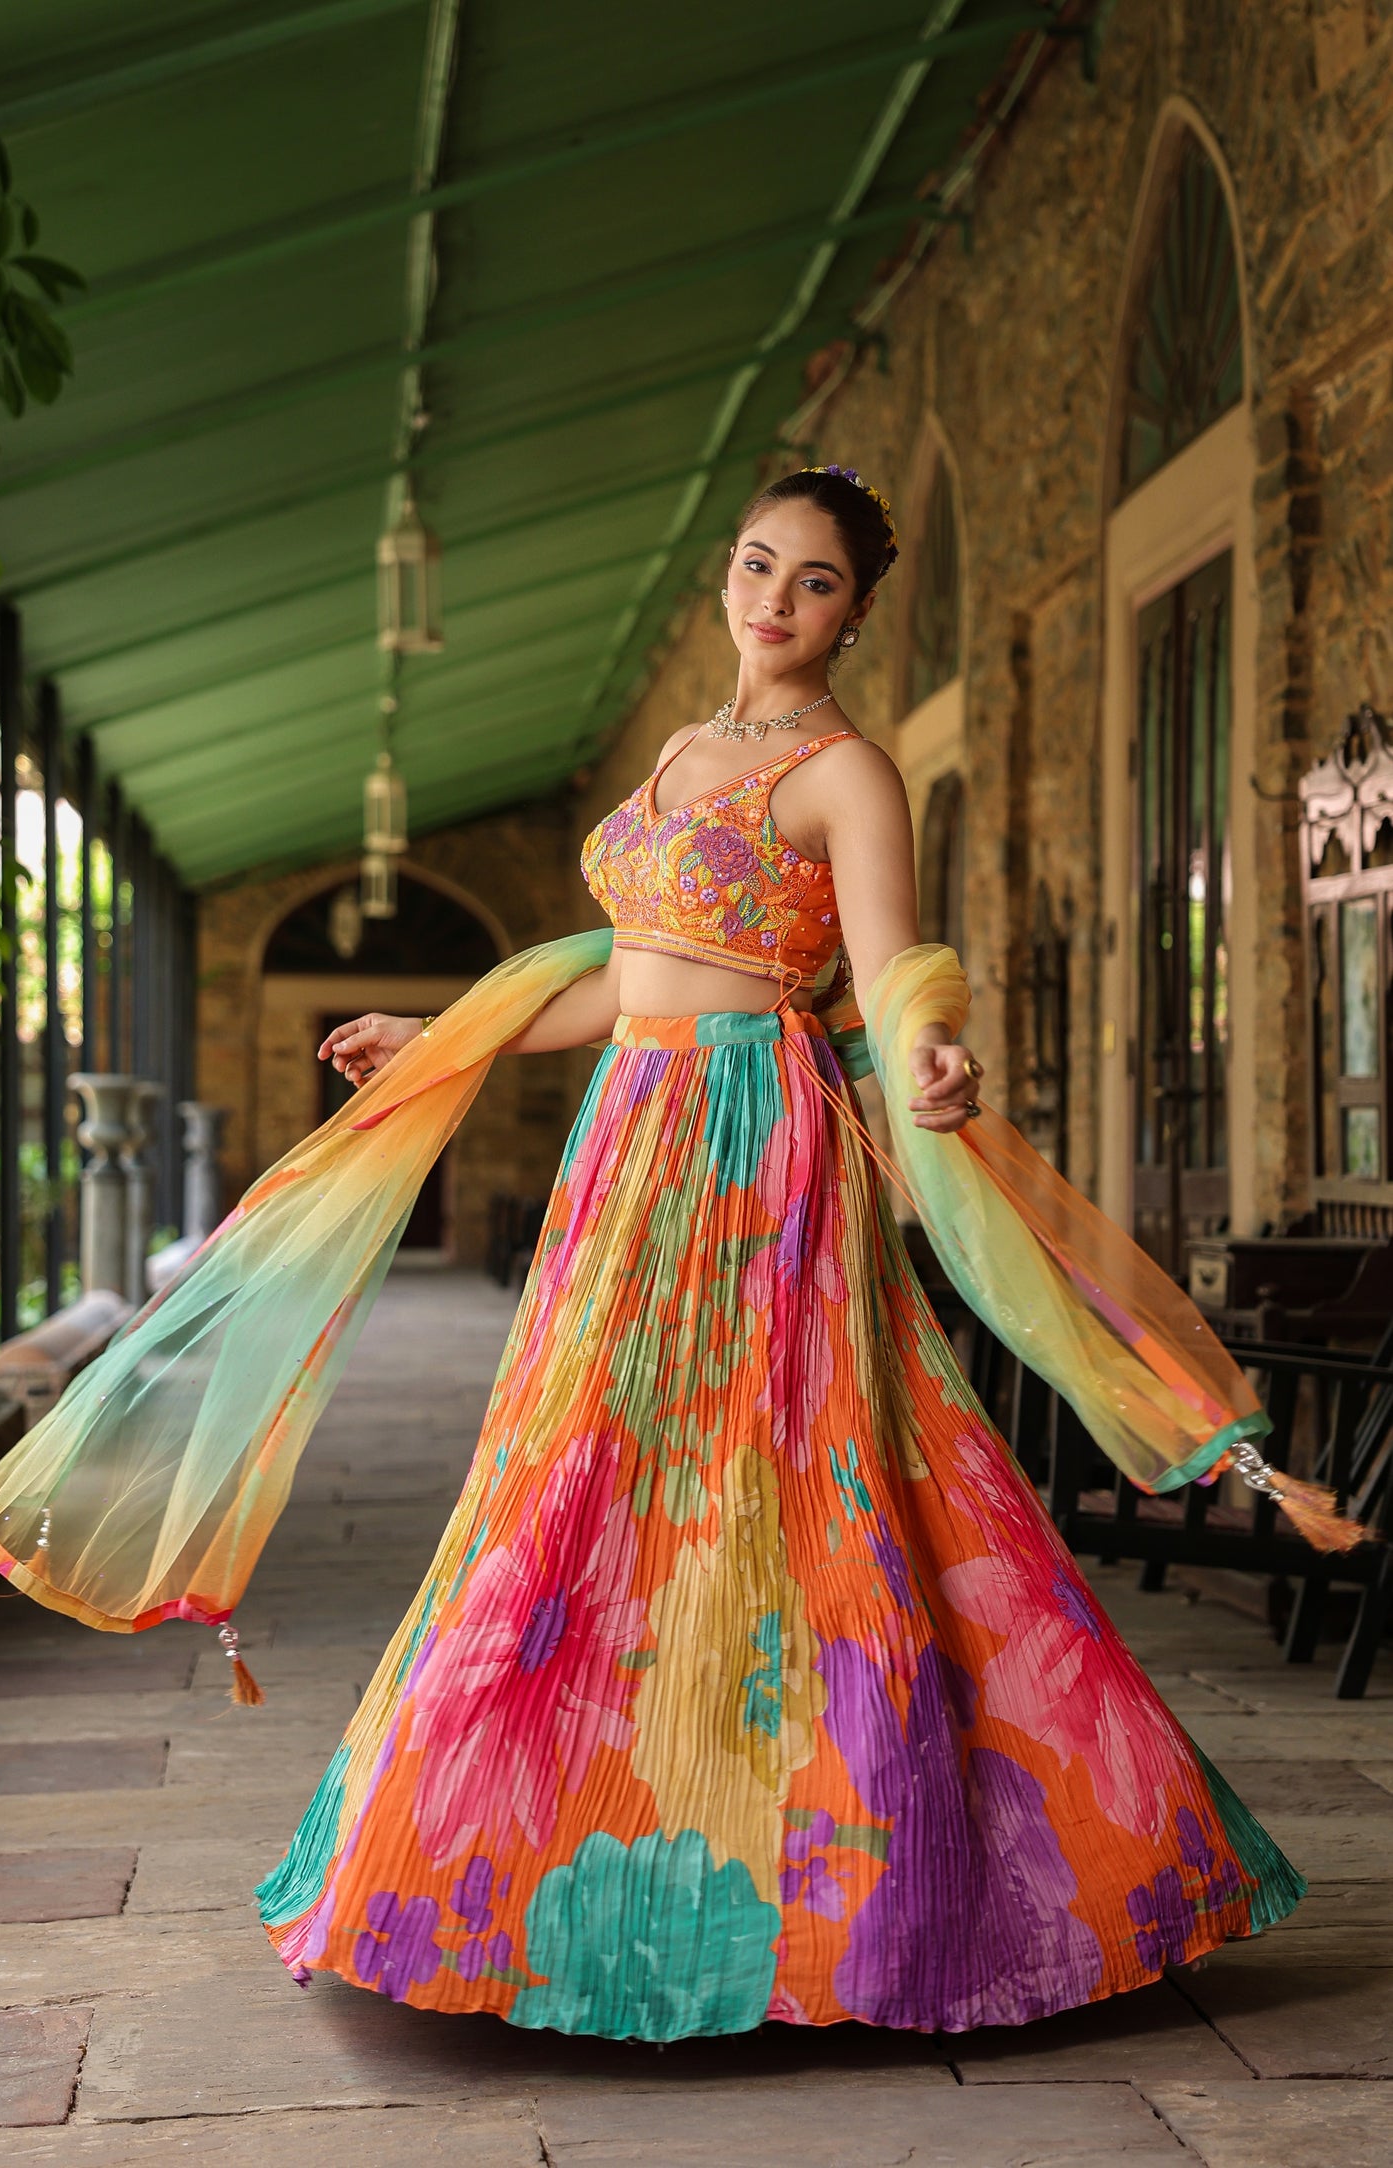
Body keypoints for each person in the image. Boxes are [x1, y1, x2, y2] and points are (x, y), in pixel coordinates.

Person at [244, 465, 1303, 2036]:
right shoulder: (679, 753)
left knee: (790, 1477)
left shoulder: (844, 774)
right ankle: (529, 1857)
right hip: (631, 1138)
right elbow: (633, 980)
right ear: (724, 579)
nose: (774, 599)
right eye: (756, 566)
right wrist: (442, 1031)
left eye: (812, 582)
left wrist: (932, 1047)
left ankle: (866, 1893)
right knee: (578, 1471)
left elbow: (889, 968)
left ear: (853, 613)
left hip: (751, 1149)